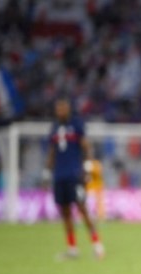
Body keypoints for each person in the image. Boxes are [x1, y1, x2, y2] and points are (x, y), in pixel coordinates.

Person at [43, 98, 105, 260]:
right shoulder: (54, 128)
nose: (61, 111)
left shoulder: (76, 125)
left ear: (69, 108)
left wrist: (87, 168)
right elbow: (52, 152)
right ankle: (72, 249)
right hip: (59, 176)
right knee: (65, 213)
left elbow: (86, 147)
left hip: (74, 175)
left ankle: (97, 246)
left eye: (63, 107)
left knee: (83, 209)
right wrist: (47, 172)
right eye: (58, 108)